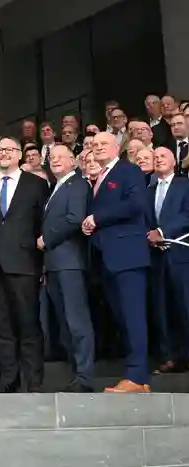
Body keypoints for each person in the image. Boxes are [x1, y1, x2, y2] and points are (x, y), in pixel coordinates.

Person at [0, 137, 49, 392]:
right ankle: (9, 381)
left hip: (25, 264)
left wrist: (42, 263)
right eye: (0, 150)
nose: (4, 153)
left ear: (19, 154)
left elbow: (42, 223)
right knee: (1, 328)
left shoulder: (36, 184)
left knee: (29, 325)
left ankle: (33, 382)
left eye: (9, 149)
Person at [82, 132, 151, 393]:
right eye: (95, 144)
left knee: (133, 316)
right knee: (122, 317)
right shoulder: (98, 176)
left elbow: (136, 204)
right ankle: (137, 376)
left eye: (104, 144)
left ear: (117, 147)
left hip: (127, 256)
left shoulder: (128, 170)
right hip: (107, 258)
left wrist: (97, 218)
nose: (98, 147)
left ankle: (137, 376)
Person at [39, 145, 94, 392]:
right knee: (65, 324)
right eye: (52, 157)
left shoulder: (78, 184)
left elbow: (74, 218)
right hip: (54, 265)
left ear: (73, 161)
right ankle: (76, 375)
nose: (55, 160)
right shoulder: (55, 187)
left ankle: (84, 377)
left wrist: (46, 238)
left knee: (77, 321)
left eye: (61, 156)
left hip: (70, 263)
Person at [147, 147, 189, 375]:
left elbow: (186, 215)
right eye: (155, 157)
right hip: (157, 258)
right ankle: (170, 357)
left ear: (174, 162)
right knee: (162, 308)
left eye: (163, 156)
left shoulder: (185, 185)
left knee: (185, 305)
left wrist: (163, 232)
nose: (158, 159)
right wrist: (150, 235)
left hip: (181, 256)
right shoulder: (149, 189)